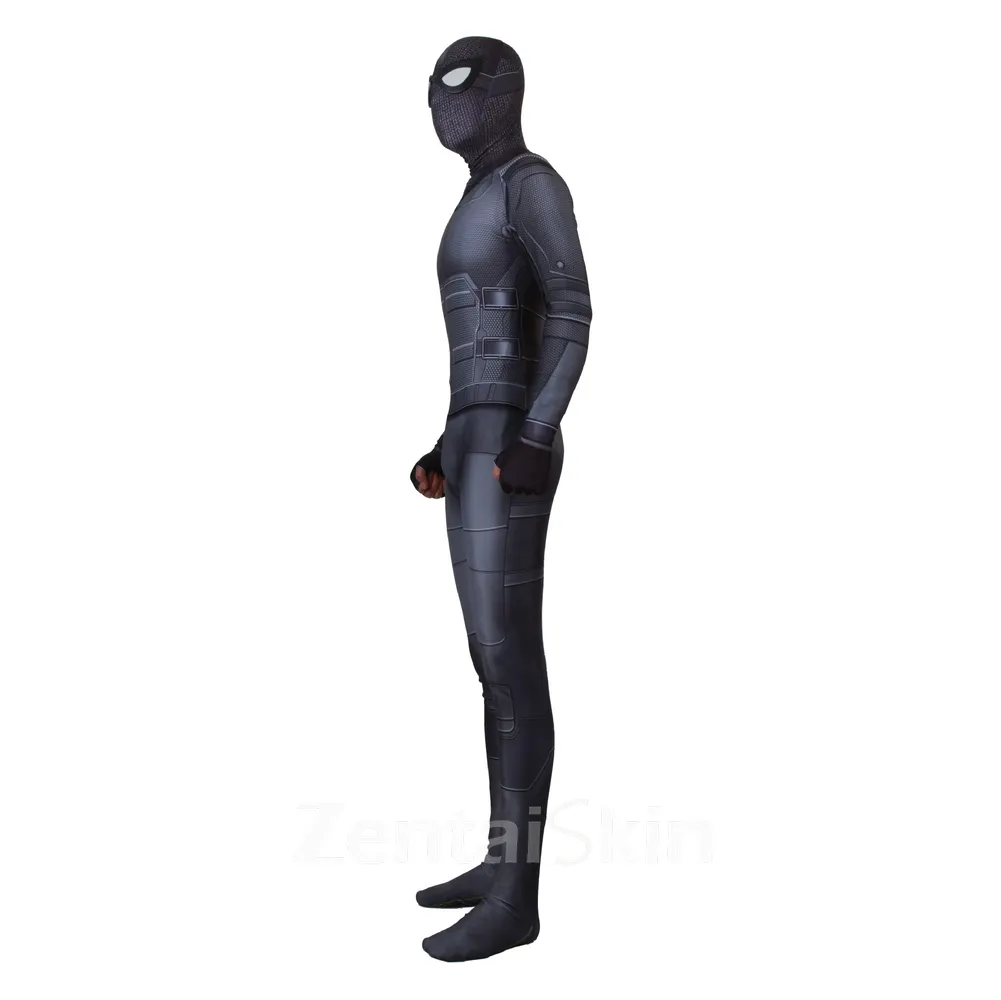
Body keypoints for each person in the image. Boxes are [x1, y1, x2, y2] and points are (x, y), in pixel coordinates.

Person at [409, 35, 592, 962]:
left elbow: (571, 312)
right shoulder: (478, 193)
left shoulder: (531, 184)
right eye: (431, 85)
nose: (439, 101)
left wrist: (534, 432)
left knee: (510, 662)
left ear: (502, 91)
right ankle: (499, 863)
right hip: (476, 438)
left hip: (511, 447)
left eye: (457, 81)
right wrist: (448, 438)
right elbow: (487, 335)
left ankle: (517, 899)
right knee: (491, 667)